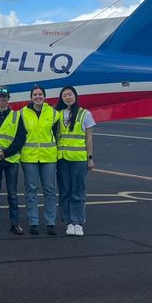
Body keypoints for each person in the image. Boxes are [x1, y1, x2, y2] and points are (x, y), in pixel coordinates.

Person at [55, 86, 96, 237]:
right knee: (64, 191)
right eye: (64, 95)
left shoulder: (85, 114)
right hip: (62, 158)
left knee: (78, 191)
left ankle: (78, 222)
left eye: (70, 94)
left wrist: (90, 158)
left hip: (79, 159)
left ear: (75, 96)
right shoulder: (58, 114)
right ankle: (68, 222)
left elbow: (89, 138)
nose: (67, 97)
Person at [20, 85, 60, 235]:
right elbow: (20, 134)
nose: (38, 97)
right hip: (29, 156)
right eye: (35, 94)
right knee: (31, 189)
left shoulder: (54, 113)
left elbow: (57, 134)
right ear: (31, 97)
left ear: (44, 96)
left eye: (40, 94)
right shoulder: (23, 113)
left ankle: (50, 222)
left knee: (49, 189)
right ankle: (33, 221)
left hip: (48, 156)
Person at [0, 87, 25, 235]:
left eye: (4, 96)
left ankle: (15, 224)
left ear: (8, 98)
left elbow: (20, 137)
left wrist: (6, 153)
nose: (1, 99)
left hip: (11, 159)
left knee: (12, 193)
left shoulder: (16, 116)